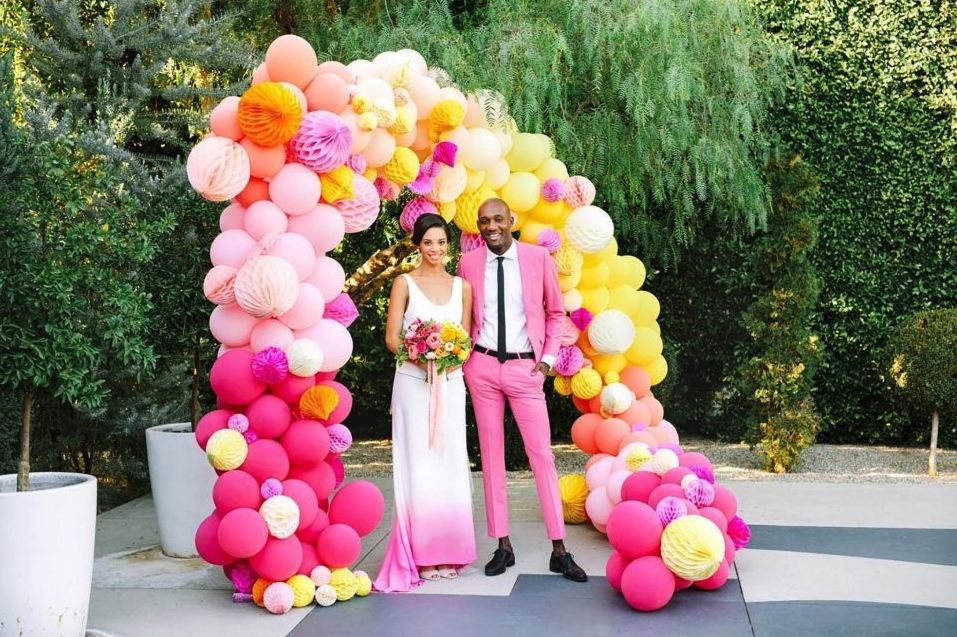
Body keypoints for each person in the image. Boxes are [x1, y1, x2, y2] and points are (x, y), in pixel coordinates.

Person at [457, 198, 587, 582]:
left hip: (525, 367)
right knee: (491, 456)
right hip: (481, 367)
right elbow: (464, 315)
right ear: (478, 227)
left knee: (541, 455)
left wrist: (546, 361)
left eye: (497, 219)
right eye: (484, 221)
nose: (490, 226)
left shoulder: (537, 258)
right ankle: (503, 545)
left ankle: (559, 549)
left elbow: (555, 312)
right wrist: (465, 361)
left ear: (511, 220)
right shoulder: (468, 263)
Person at [373, 213, 477, 592]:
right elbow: (391, 338)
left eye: (442, 242)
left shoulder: (462, 286)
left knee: (449, 461)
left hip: (450, 385)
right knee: (418, 461)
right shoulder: (404, 283)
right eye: (428, 242)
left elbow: (464, 340)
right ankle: (421, 553)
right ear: (417, 244)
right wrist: (422, 357)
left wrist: (448, 357)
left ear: (449, 246)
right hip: (413, 385)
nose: (435, 249)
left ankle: (450, 550)